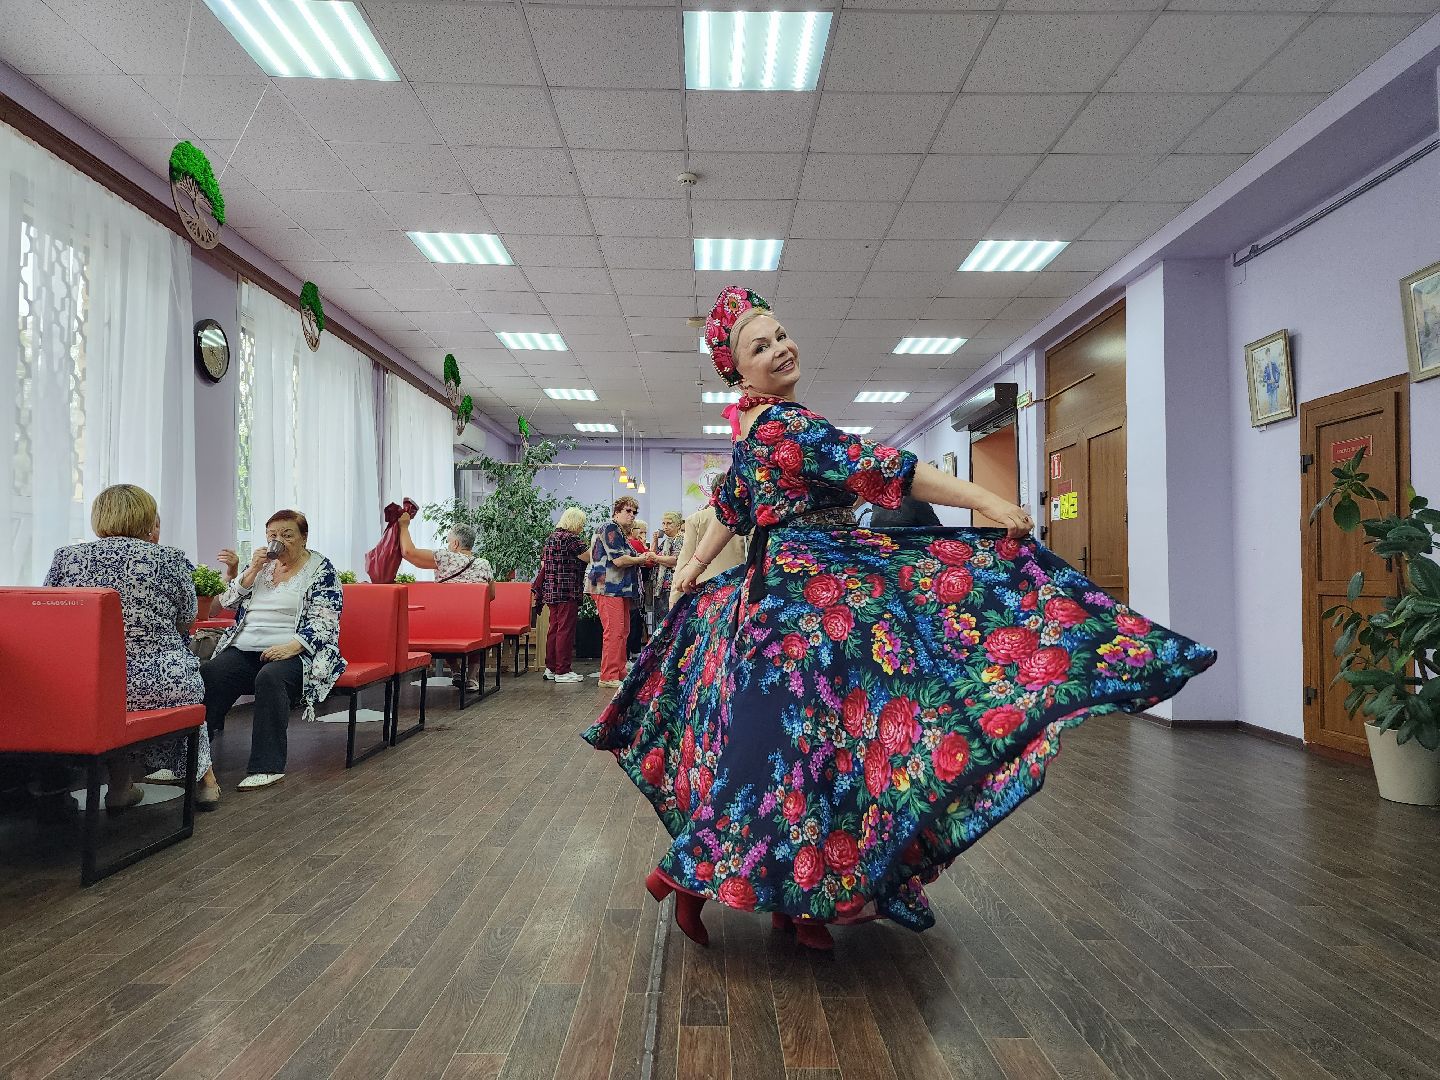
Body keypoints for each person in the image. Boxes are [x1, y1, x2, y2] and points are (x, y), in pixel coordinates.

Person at [584, 286, 1216, 952]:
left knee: (806, 751)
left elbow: (734, 510)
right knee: (805, 748)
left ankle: (796, 905)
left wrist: (691, 566)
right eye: (759, 346)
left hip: (795, 604)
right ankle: (716, 885)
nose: (780, 348)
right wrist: (987, 502)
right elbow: (886, 473)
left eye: (780, 333)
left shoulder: (756, 429)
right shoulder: (788, 428)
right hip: (804, 607)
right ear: (736, 371)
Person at [42, 484, 221, 809]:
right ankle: (206, 781)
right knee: (186, 683)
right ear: (147, 518)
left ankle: (121, 786)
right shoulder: (169, 558)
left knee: (112, 700)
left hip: (90, 686)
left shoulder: (67, 558)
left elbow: (53, 616)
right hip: (160, 682)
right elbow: (188, 617)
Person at [203, 510, 345, 791]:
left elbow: (326, 621)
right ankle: (191, 759)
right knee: (210, 672)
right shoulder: (262, 568)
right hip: (246, 646)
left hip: (298, 652)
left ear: (304, 538)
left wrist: (292, 646)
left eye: (287, 535)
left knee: (270, 677)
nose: (278, 541)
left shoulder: (322, 570)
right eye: (272, 536)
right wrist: (250, 571)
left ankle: (267, 765)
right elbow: (226, 602)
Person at [397, 514, 495, 691]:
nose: (448, 545)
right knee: (477, 627)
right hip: (474, 625)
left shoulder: (447, 558)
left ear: (455, 544)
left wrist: (404, 526)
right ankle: (472, 678)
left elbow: (408, 552)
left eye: (449, 541)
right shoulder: (484, 563)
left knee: (444, 624)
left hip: (445, 623)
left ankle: (457, 671)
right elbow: (492, 595)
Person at [585, 496, 654, 689]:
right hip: (607, 587)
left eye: (634, 512)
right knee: (614, 632)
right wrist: (641, 559)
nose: (632, 515)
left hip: (618, 589)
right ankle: (608, 675)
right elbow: (619, 561)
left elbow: (630, 556)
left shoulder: (621, 533)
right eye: (628, 511)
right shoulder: (610, 528)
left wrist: (642, 557)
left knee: (623, 631)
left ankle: (619, 670)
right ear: (616, 512)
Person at [670, 475, 748, 608]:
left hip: (705, 591)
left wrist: (674, 597)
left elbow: (685, 558)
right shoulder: (746, 518)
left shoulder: (695, 519)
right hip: (737, 588)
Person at [532, 507, 589, 683]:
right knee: (566, 630)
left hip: (551, 591)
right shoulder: (572, 539)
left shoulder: (551, 538)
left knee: (554, 629)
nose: (581, 528)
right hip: (567, 590)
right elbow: (589, 557)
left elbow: (543, 563)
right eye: (581, 524)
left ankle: (551, 668)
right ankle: (563, 671)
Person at [650, 511, 684, 629]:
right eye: (663, 523)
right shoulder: (667, 540)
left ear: (678, 525)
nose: (665, 526)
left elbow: (675, 560)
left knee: (667, 620)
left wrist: (656, 558)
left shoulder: (680, 539)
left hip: (671, 585)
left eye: (669, 523)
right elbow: (652, 556)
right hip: (661, 585)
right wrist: (655, 540)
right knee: (659, 619)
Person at [869, 494, 943, 528]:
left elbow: (937, 531)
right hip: (880, 553)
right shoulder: (877, 501)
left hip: (908, 554)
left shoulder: (916, 501)